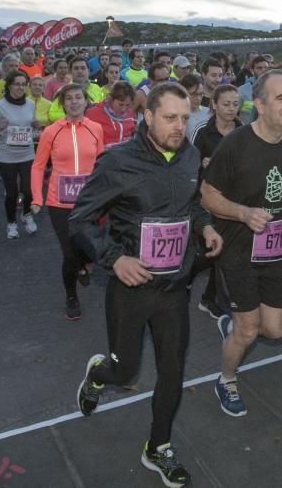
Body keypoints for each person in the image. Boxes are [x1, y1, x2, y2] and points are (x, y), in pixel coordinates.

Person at [71, 82, 222, 488]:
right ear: (148, 116)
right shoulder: (117, 161)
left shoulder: (189, 155)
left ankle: (158, 447)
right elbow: (80, 220)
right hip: (131, 288)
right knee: (126, 370)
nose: (179, 126)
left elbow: (191, 203)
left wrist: (204, 227)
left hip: (174, 286)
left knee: (173, 370)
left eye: (185, 118)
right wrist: (114, 258)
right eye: (170, 118)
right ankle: (99, 375)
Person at [200, 69, 282, 417]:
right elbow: (207, 195)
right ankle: (227, 378)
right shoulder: (235, 143)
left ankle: (234, 325)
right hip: (238, 248)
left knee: (276, 329)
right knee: (249, 330)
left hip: (276, 248)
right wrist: (243, 213)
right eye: (281, 98)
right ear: (261, 105)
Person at [31, 84, 105, 320]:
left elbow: (102, 163)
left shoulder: (96, 129)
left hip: (88, 203)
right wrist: (37, 198)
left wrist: (107, 195)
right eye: (69, 99)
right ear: (62, 104)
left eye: (78, 98)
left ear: (86, 102)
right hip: (59, 203)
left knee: (88, 248)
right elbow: (38, 165)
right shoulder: (51, 131)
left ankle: (84, 265)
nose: (74, 102)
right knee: (69, 253)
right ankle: (71, 296)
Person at [191, 85, 242, 319]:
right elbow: (188, 166)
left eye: (235, 104)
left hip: (233, 202)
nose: (231, 109)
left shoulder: (244, 131)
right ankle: (185, 277)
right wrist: (202, 163)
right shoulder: (203, 132)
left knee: (222, 252)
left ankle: (210, 299)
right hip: (206, 202)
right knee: (208, 254)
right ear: (214, 104)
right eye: (226, 104)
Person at [0, 71, 40, 240]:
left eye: (23, 84)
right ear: (9, 85)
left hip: (27, 153)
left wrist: (36, 128)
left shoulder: (30, 104)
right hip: (7, 155)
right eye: (17, 84)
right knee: (11, 193)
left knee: (28, 190)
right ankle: (11, 223)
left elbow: (31, 130)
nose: (20, 87)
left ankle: (27, 214)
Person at [47, 57, 104, 122]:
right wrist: (74, 117)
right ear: (70, 72)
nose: (80, 71)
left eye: (83, 68)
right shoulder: (63, 90)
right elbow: (52, 114)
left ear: (88, 70)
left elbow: (102, 110)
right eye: (76, 68)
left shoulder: (96, 88)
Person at [86, 81, 137, 147]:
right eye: (120, 104)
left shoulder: (130, 113)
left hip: (126, 154)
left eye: (128, 105)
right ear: (111, 99)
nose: (124, 109)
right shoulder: (92, 114)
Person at [236, 55, 270, 124]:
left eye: (266, 68)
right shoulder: (242, 91)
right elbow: (233, 112)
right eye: (259, 68)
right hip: (247, 130)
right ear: (252, 71)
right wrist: (241, 125)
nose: (263, 70)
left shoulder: (273, 89)